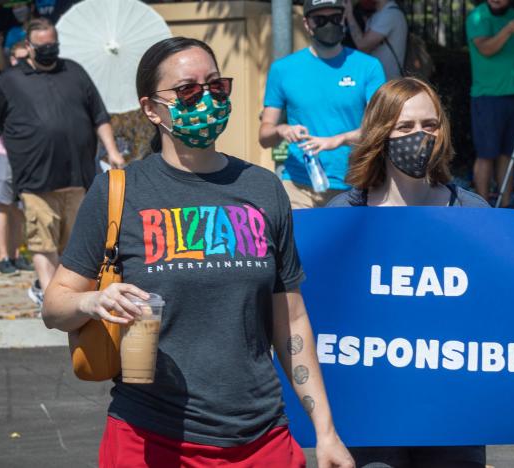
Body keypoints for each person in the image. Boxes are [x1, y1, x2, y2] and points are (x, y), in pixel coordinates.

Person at [42, 36, 354, 468]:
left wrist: (325, 430)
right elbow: (55, 307)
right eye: (188, 90)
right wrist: (93, 300)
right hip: (150, 440)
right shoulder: (120, 191)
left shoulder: (263, 188)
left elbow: (292, 319)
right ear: (151, 109)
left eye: (215, 86)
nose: (206, 99)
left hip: (260, 440)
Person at [328, 77, 514, 467]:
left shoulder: (472, 213)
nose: (420, 136)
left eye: (430, 125)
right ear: (380, 133)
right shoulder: (344, 216)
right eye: (405, 127)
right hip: (372, 418)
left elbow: (506, 299)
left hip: (455, 420)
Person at [0, 18, 124, 307]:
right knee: (43, 242)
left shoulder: (74, 72)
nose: (49, 50)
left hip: (78, 177)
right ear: (28, 46)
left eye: (53, 45)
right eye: (42, 46)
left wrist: (112, 151)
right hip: (35, 178)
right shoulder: (10, 81)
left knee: (73, 245)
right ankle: (54, 301)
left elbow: (98, 115)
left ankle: (55, 291)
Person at [259, 0, 385, 209]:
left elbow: (381, 129)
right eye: (320, 19)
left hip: (356, 185)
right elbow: (264, 136)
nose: (329, 25)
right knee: (300, 242)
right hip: (299, 186)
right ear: (307, 23)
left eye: (335, 18)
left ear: (344, 18)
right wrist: (282, 129)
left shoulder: (368, 67)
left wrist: (337, 140)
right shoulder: (283, 69)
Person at [465, 0, 514, 207]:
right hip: (488, 95)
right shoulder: (477, 17)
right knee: (486, 155)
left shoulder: (513, 14)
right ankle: (483, 208)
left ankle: (505, 207)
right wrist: (508, 30)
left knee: (507, 155)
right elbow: (486, 49)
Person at [0, 42, 33, 275]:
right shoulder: (0, 82)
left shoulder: (35, 82)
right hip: (2, 152)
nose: (21, 62)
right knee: (3, 204)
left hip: (27, 154)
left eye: (27, 57)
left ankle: (15, 254)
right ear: (10, 58)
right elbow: (1, 120)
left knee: (20, 207)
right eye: (18, 58)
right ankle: (3, 256)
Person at [343, 0, 408, 80]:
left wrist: (349, 14)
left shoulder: (390, 14)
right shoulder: (380, 14)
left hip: (387, 83)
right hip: (380, 80)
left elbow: (363, 46)